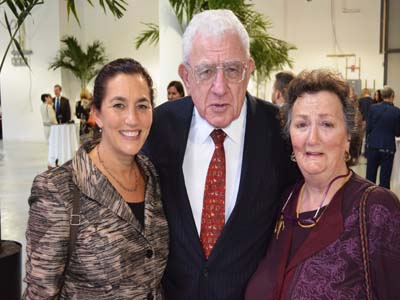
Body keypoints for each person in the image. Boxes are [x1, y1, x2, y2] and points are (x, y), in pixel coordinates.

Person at [143, 9, 298, 300]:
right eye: (205, 71)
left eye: (232, 70)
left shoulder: (280, 132)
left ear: (249, 70)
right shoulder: (159, 128)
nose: (219, 88)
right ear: (186, 77)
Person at [245, 69, 400, 300]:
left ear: (349, 135)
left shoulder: (375, 209)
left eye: (326, 124)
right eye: (301, 125)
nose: (312, 138)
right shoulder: (284, 201)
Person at [24, 58, 169, 299]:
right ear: (97, 114)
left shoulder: (152, 175)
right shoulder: (58, 189)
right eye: (119, 105)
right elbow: (40, 293)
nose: (132, 118)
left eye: (142, 105)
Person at [366, 86, 400, 189]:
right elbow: (398, 132)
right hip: (388, 148)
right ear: (392, 96)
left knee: (370, 177)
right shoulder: (397, 112)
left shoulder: (373, 108)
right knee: (385, 179)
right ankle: (383, 201)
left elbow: (368, 128)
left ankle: (367, 199)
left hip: (373, 146)